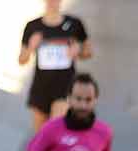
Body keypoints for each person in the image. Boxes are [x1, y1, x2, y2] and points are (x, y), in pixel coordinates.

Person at [19, 0, 92, 132]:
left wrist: (79, 49)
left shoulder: (74, 24)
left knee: (55, 129)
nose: (53, 2)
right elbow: (22, 60)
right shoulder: (33, 26)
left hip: (64, 86)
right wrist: (31, 47)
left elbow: (88, 52)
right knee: (41, 136)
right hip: (41, 87)